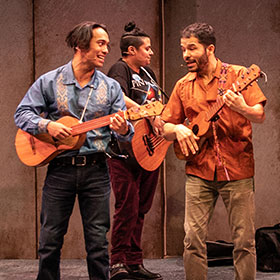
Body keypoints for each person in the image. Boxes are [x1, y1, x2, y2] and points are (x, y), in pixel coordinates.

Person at [14, 21, 134, 280]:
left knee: (98, 245)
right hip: (60, 170)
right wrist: (48, 125)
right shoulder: (49, 81)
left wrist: (123, 128)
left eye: (107, 45)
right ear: (80, 45)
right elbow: (22, 113)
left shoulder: (110, 87)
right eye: (100, 44)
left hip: (96, 170)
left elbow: (126, 132)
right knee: (49, 241)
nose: (106, 50)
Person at [161, 22, 266, 280]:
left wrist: (242, 107)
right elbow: (164, 125)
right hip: (199, 170)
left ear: (210, 49)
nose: (185, 54)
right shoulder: (183, 85)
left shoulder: (239, 75)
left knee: (244, 240)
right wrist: (178, 131)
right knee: (192, 239)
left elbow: (259, 114)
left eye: (192, 48)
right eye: (183, 49)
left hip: (237, 169)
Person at [107, 22, 163, 280]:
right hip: (123, 150)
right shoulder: (120, 68)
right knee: (126, 205)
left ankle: (134, 261)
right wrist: (148, 114)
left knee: (141, 206)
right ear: (131, 50)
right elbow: (116, 94)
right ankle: (117, 261)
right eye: (147, 48)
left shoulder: (148, 73)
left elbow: (161, 102)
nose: (151, 53)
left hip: (149, 148)